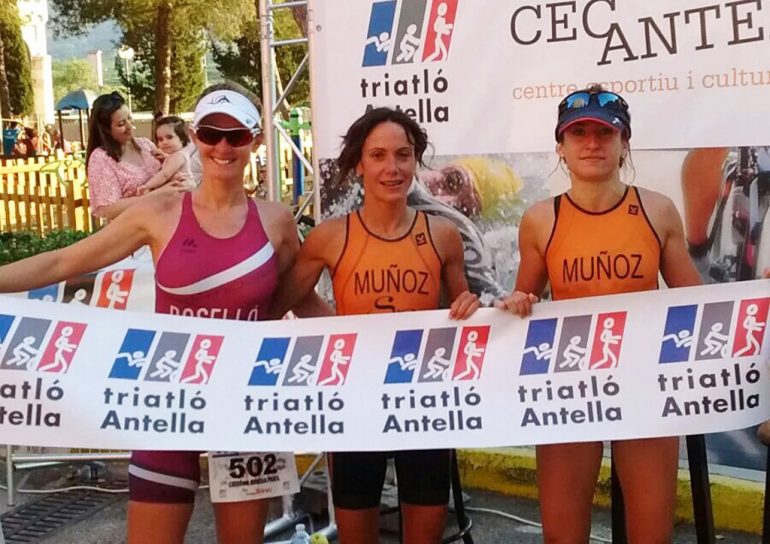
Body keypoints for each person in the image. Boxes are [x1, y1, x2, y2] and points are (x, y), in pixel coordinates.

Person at [0, 81, 329, 544]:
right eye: (212, 132)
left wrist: (400, 336)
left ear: (255, 140)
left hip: (244, 403)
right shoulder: (159, 211)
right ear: (195, 135)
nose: (223, 146)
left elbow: (306, 302)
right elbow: (63, 262)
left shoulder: (275, 221)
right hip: (170, 398)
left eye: (236, 135)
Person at [497, 85, 702, 542]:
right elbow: (521, 301)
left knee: (652, 535)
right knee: (563, 536)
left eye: (604, 133)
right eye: (579, 133)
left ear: (624, 142)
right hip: (569, 384)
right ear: (561, 147)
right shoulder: (540, 219)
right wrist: (512, 305)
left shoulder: (657, 210)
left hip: (644, 382)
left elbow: (697, 300)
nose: (592, 143)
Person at [269, 107, 480, 544]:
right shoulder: (331, 236)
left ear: (415, 161)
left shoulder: (442, 235)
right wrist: (339, 331)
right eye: (379, 155)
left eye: (403, 155)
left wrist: (470, 306)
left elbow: (460, 315)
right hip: (354, 398)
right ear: (359, 163)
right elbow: (279, 304)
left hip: (423, 398)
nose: (392, 167)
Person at [86, 91, 188, 220]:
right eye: (121, 124)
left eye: (129, 118)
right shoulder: (101, 158)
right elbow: (107, 209)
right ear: (106, 130)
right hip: (133, 230)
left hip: (167, 222)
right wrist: (153, 196)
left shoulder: (145, 145)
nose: (130, 126)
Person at [138, 116, 193, 194]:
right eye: (160, 139)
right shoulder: (176, 155)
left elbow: (165, 175)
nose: (165, 142)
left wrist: (147, 186)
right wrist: (165, 156)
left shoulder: (178, 156)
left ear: (182, 138)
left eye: (169, 137)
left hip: (182, 191)